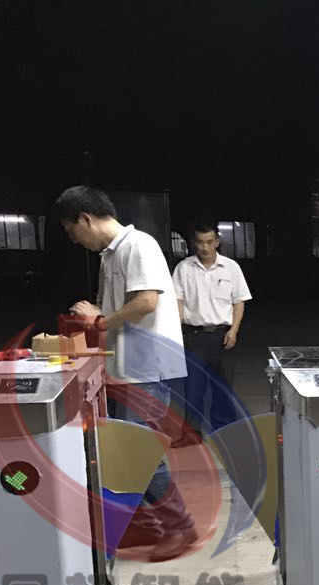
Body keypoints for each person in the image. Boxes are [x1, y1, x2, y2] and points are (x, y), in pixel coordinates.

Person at [56, 185, 197, 560]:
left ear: (85, 218)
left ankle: (179, 527)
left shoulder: (139, 246)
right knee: (123, 450)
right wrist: (94, 316)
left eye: (72, 231)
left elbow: (146, 302)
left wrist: (100, 320)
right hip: (126, 368)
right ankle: (147, 524)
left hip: (147, 368)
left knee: (139, 454)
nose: (74, 240)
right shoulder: (110, 256)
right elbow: (113, 308)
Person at [171, 222, 251, 439]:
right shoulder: (184, 268)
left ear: (217, 242)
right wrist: (177, 331)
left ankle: (223, 431)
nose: (204, 247)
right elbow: (178, 301)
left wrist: (234, 330)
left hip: (223, 336)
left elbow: (239, 301)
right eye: (200, 242)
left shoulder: (231, 268)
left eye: (209, 242)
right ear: (194, 243)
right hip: (193, 336)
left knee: (222, 388)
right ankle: (191, 435)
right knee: (193, 389)